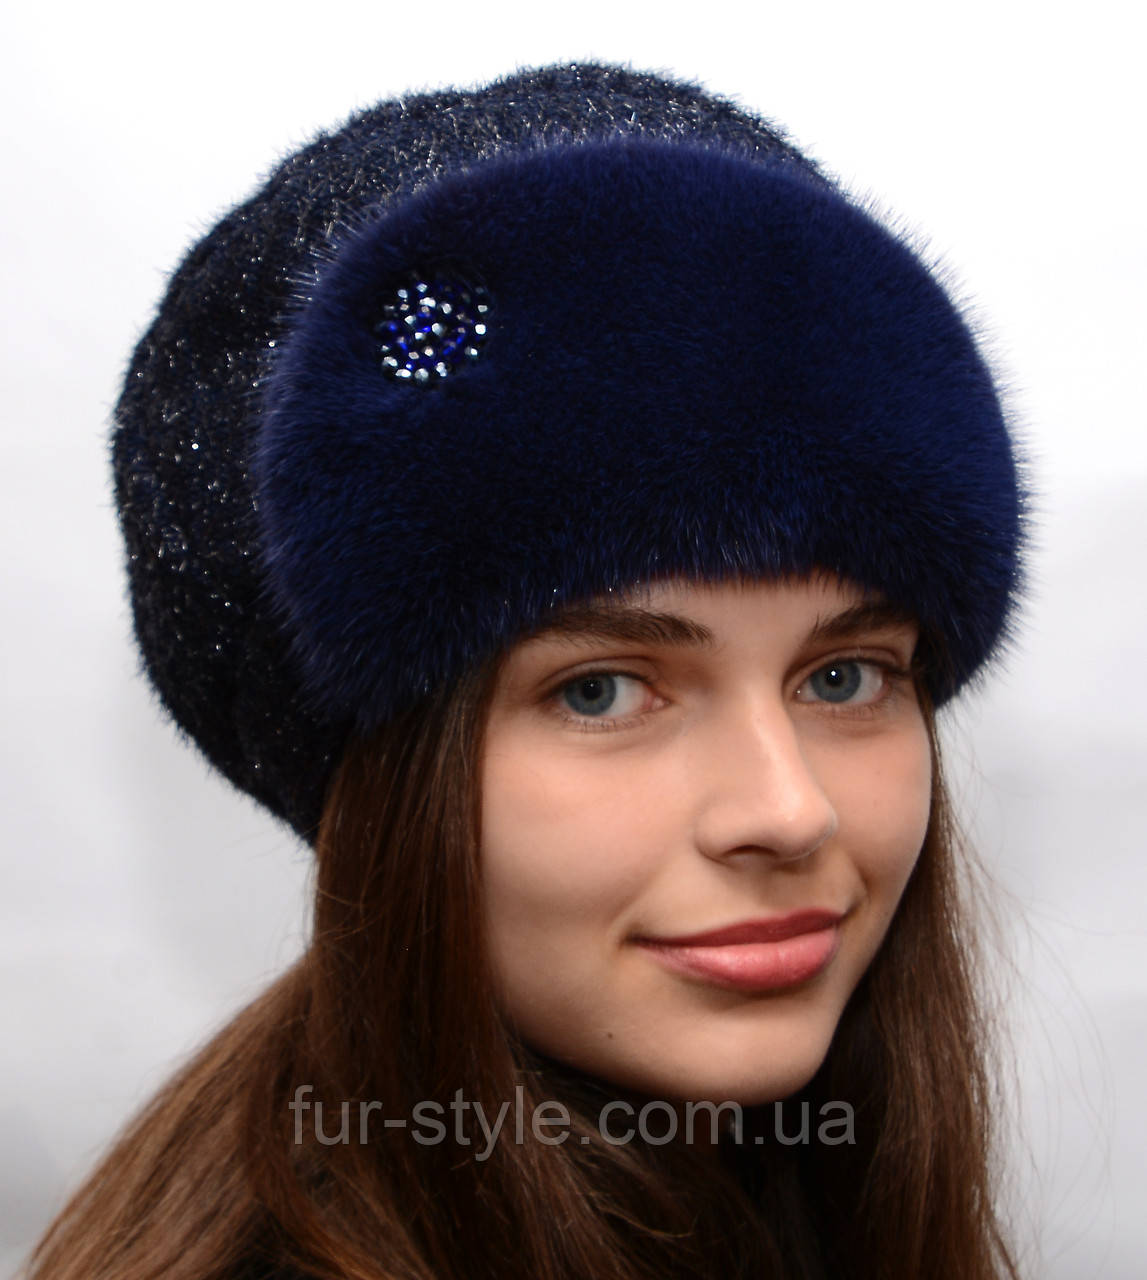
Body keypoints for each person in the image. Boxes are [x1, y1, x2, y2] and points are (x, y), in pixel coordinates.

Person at [25, 62, 1027, 1280]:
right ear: (374, 781)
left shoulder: (787, 1198)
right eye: (600, 689)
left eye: (845, 677)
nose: (787, 809)